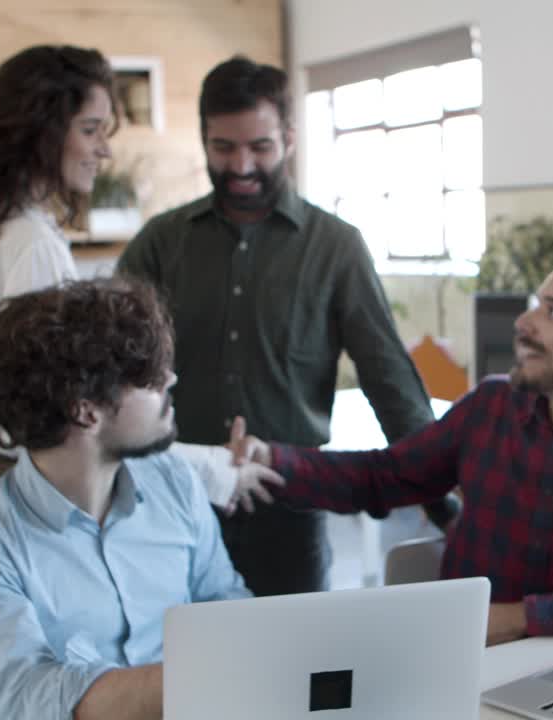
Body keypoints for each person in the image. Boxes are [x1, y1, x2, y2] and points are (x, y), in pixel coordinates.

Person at [0, 45, 263, 719]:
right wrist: (216, 470)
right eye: (91, 130)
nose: (103, 152)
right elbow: (80, 399)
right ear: (41, 128)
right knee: (15, 699)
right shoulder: (29, 241)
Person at [234, 246, 553, 644]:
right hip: (467, 656)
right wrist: (275, 460)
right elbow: (383, 476)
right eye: (537, 305)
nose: (524, 323)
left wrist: (522, 617)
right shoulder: (494, 405)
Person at [116, 55, 456, 597]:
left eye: (260, 147)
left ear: (290, 138)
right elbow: (110, 365)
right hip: (172, 501)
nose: (242, 166)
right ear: (203, 139)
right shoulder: (162, 243)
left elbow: (387, 377)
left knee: (295, 672)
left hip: (289, 508)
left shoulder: (335, 247)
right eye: (223, 148)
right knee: (175, 668)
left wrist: (445, 502)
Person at [0, 277, 258, 720]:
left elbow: (223, 598)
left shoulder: (174, 482)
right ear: (85, 412)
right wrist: (207, 678)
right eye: (146, 379)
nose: (170, 381)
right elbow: (30, 698)